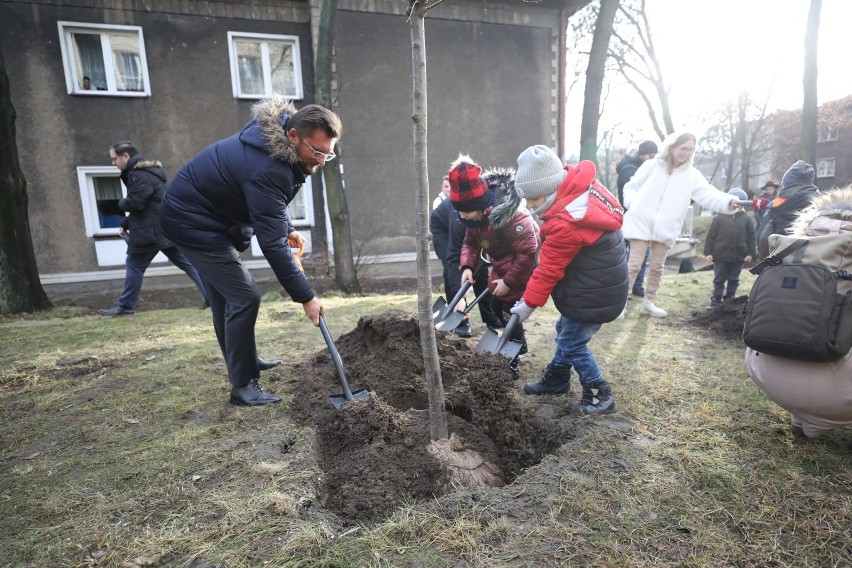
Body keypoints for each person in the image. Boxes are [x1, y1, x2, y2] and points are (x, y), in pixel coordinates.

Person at [159, 97, 341, 406]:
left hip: (205, 217)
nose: (322, 160)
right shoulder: (268, 165)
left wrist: (287, 227)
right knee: (244, 296)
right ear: (293, 136)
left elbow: (268, 204)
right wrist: (306, 297)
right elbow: (270, 243)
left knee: (225, 298)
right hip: (191, 223)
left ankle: (244, 360)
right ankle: (243, 385)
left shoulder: (275, 148)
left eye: (329, 153)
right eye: (317, 151)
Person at [509, 146, 627, 415]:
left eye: (534, 199)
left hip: (593, 294)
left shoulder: (567, 222)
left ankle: (600, 395)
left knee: (573, 342)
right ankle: (558, 378)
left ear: (552, 190)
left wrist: (527, 304)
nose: (529, 206)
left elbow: (549, 270)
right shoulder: (579, 191)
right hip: (596, 285)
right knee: (566, 331)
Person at [746, 186, 852, 439]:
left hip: (767, 374)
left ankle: (800, 418)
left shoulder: (787, 254)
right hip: (834, 392)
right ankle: (823, 409)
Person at [621, 131, 738, 318]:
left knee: (658, 267)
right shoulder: (651, 166)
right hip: (641, 221)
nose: (686, 153)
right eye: (683, 148)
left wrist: (728, 202)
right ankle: (619, 304)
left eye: (691, 149)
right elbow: (631, 187)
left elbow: (708, 194)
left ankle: (648, 302)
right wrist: (634, 204)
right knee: (633, 264)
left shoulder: (692, 175)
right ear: (672, 147)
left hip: (666, 226)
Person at [450, 155, 539, 379]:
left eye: (466, 212)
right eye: (460, 212)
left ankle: (512, 359)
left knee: (510, 312)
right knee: (495, 304)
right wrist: (467, 267)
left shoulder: (512, 215)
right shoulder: (475, 218)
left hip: (523, 270)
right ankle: (518, 341)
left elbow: (528, 254)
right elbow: (469, 243)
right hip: (502, 267)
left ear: (479, 206)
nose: (462, 216)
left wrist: (509, 282)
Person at [98, 142, 208, 317]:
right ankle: (211, 296)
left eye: (114, 159)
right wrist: (126, 223)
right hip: (162, 229)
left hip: (149, 233)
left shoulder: (139, 176)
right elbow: (150, 207)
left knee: (134, 266)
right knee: (189, 264)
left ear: (125, 156)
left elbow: (136, 203)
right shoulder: (147, 173)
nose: (113, 163)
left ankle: (126, 306)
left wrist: (118, 203)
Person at [430, 174, 502, 336]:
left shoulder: (487, 212)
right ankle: (461, 319)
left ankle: (489, 316)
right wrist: (459, 296)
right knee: (452, 271)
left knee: (479, 269)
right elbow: (454, 259)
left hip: (468, 228)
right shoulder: (460, 218)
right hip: (443, 229)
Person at [616, 139, 658, 298]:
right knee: (630, 258)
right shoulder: (629, 171)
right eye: (651, 156)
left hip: (642, 218)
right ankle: (624, 288)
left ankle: (637, 286)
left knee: (642, 255)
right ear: (643, 155)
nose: (654, 160)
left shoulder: (642, 169)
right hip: (630, 218)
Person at [703, 188, 756, 309]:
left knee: (734, 278)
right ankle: (716, 300)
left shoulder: (746, 219)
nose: (736, 206)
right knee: (719, 279)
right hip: (720, 255)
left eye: (739, 203)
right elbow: (711, 237)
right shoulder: (719, 218)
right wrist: (708, 253)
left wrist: (751, 253)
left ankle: (730, 299)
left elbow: (751, 238)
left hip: (738, 255)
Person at [756, 161, 820, 259]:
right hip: (814, 261)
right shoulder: (821, 203)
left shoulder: (776, 204)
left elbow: (763, 237)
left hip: (781, 260)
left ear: (786, 181)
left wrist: (765, 256)